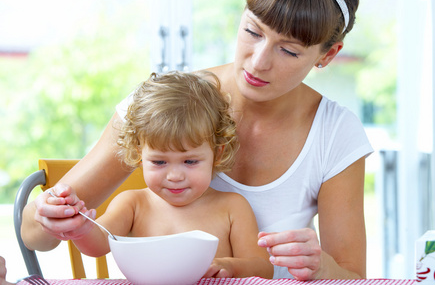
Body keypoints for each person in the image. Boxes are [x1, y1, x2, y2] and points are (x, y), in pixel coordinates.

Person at [22, 0, 373, 280]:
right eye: (252, 31)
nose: (258, 61)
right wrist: (49, 215)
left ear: (327, 55)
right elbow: (34, 234)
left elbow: (353, 278)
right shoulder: (163, 105)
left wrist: (322, 265)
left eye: (288, 50)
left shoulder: (334, 133)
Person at [44, 71, 273, 278]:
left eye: (190, 161)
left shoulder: (233, 207)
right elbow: (97, 245)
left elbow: (262, 267)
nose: (174, 175)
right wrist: (81, 228)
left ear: (217, 153)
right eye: (159, 161)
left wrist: (231, 266)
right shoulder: (133, 204)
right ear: (139, 154)